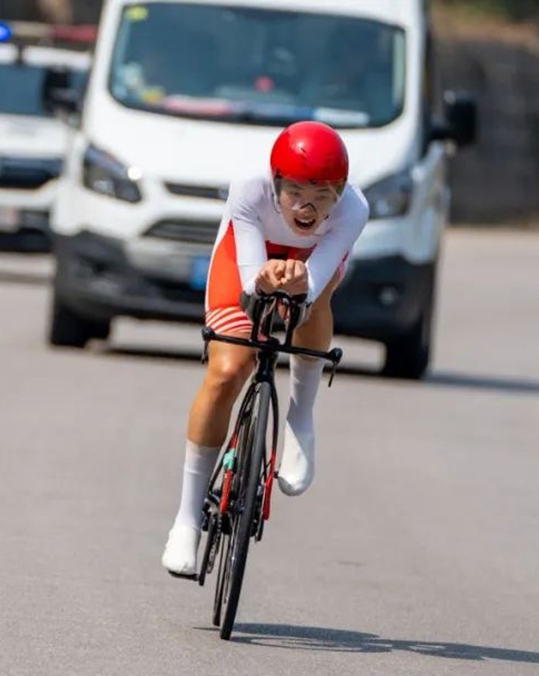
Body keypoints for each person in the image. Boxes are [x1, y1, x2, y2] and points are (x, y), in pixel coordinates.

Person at [161, 121, 369, 577]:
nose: (307, 208)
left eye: (322, 196)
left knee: (313, 303)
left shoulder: (354, 210)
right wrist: (263, 281)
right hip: (247, 257)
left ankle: (300, 415)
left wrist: (301, 285)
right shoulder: (250, 189)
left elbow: (312, 286)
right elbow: (251, 288)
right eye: (294, 192)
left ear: (340, 193)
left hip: (309, 263)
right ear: (276, 184)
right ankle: (186, 520)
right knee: (228, 369)